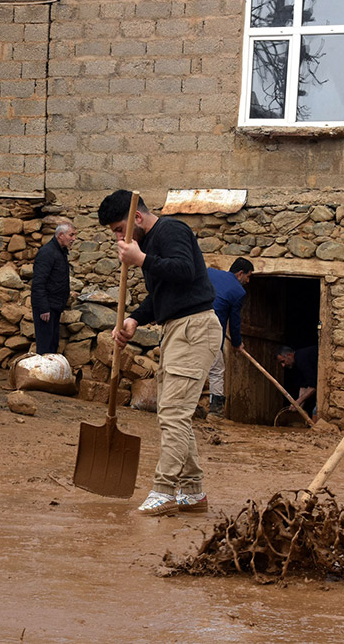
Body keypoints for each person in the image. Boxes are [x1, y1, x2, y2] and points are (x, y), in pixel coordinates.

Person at [99, 189, 221, 516]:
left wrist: (140, 259)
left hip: (194, 328)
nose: (116, 238)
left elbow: (185, 271)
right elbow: (161, 294)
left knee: (173, 414)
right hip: (175, 329)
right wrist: (134, 319)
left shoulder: (172, 231)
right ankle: (192, 492)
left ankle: (164, 490)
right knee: (172, 412)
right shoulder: (149, 245)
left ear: (136, 219)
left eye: (116, 229)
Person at [206, 258, 253, 415]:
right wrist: (237, 343)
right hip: (211, 332)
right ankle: (216, 410)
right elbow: (234, 321)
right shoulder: (239, 292)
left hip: (189, 324)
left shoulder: (210, 273)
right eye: (248, 276)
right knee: (216, 370)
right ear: (240, 273)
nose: (248, 280)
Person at [31, 222, 76, 355]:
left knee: (53, 343)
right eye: (71, 235)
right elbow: (39, 283)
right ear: (61, 235)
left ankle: (50, 374)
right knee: (45, 345)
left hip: (55, 306)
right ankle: (42, 375)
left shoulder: (60, 252)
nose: (74, 239)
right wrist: (44, 308)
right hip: (47, 308)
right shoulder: (47, 253)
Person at [276, 344, 318, 416]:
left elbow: (313, 385)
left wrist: (298, 402)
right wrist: (299, 406)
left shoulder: (301, 358)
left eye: (283, 361)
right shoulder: (297, 364)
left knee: (316, 412)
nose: (283, 365)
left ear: (289, 355)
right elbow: (303, 386)